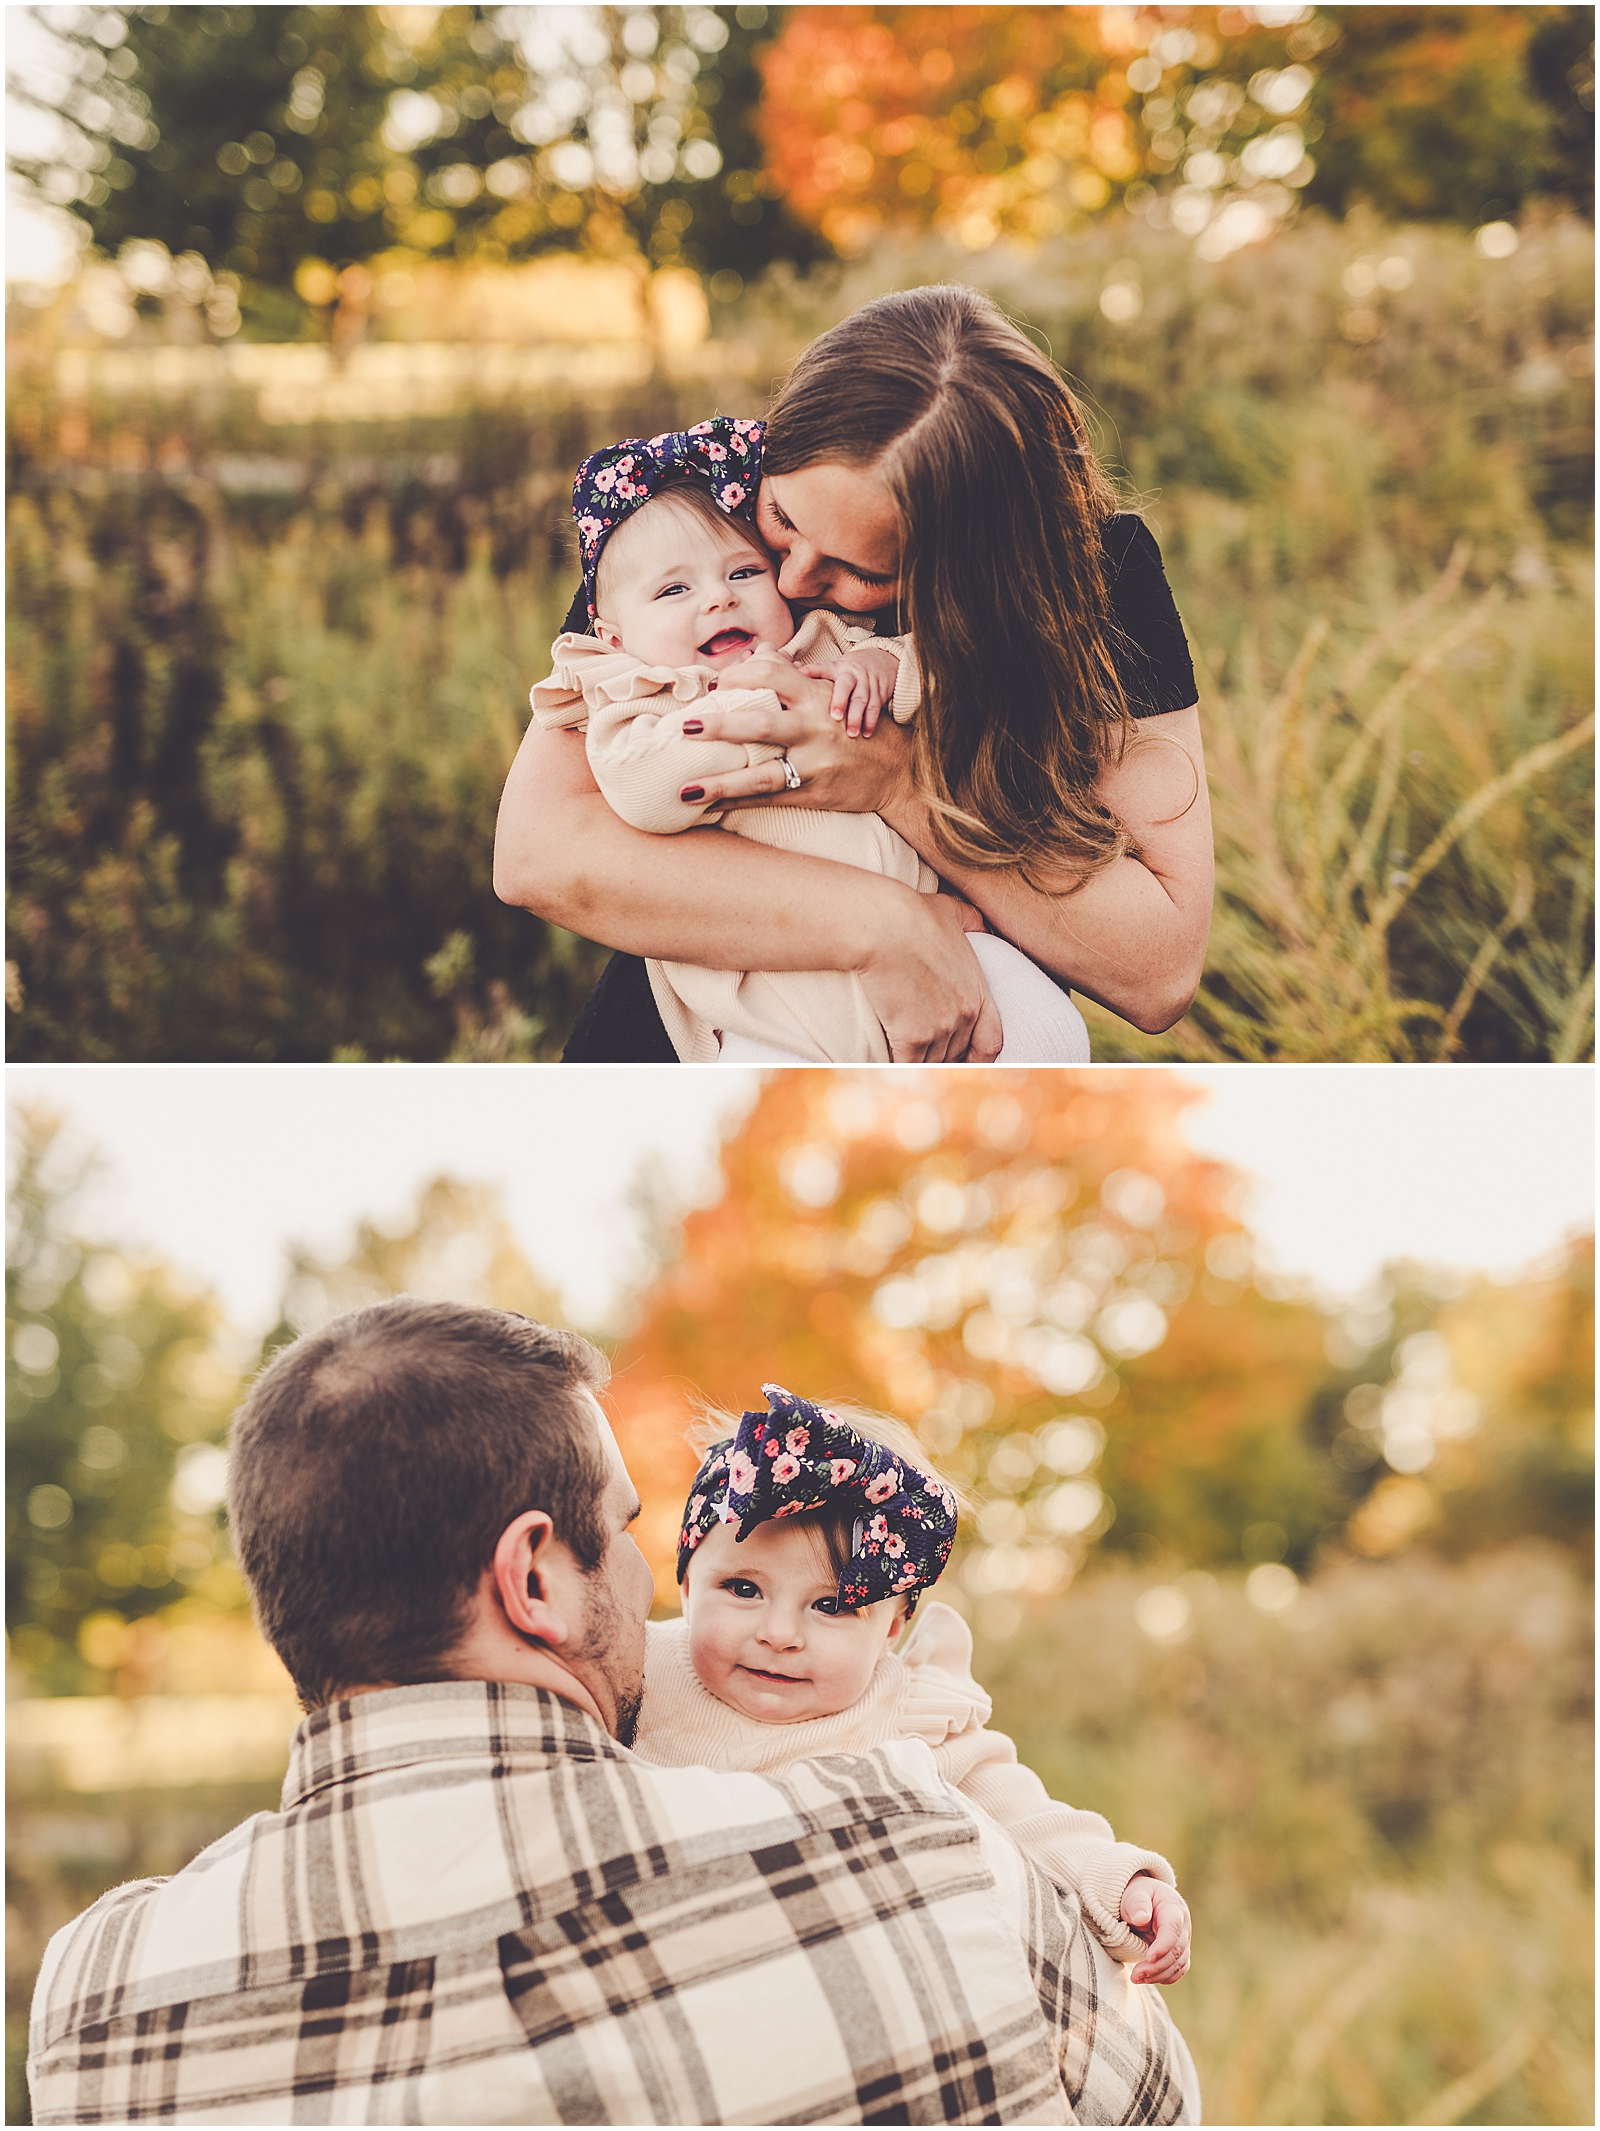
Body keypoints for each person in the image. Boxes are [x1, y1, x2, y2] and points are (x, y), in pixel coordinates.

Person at [29, 1300, 1197, 2127]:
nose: (655, 1583)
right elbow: (1161, 2106)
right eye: (630, 1528)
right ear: (534, 1577)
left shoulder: (92, 2001)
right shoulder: (937, 1863)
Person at [494, 285, 1214, 1064]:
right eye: (784, 522)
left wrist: (896, 782)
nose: (793, 579)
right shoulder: (694, 524)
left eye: (856, 569)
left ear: (970, 575)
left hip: (974, 1048)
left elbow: (1159, 968)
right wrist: (881, 928)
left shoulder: (1096, 587)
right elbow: (539, 852)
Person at [637, 1385, 1196, 2009]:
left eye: (829, 1606)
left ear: (892, 1629)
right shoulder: (641, 1668)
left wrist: (1119, 1883)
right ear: (686, 1583)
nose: (778, 1634)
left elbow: (1023, 1814)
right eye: (742, 1589)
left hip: (820, 1986)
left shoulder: (907, 1712)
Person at [532, 447, 1091, 1063]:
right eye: (674, 590)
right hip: (771, 996)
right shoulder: (636, 703)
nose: (718, 599)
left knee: (1048, 1029)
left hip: (938, 945)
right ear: (613, 636)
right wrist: (750, 705)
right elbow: (645, 794)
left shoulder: (824, 643)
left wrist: (884, 666)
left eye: (743, 573)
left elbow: (950, 666)